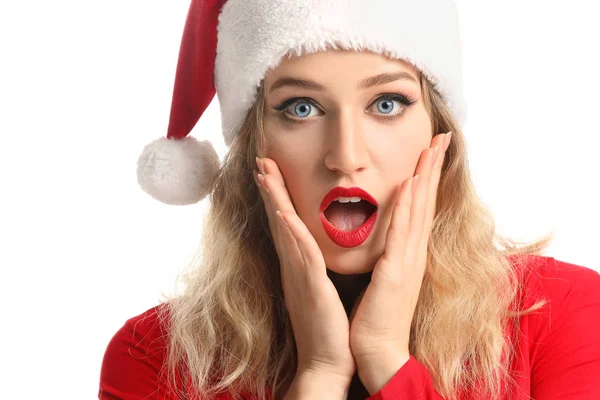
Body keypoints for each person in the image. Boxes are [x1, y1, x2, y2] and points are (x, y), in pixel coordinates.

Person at [99, 0, 600, 399]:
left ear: (438, 135)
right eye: (301, 107)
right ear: (253, 144)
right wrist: (318, 376)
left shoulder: (562, 315)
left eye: (387, 104)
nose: (345, 156)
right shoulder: (154, 358)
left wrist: (385, 359)